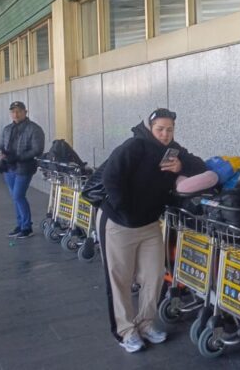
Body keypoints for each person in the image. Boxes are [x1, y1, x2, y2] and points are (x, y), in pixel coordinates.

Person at [97, 108, 207, 353]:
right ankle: (125, 331)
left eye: (169, 129)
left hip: (149, 225)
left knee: (154, 276)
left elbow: (200, 166)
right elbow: (111, 178)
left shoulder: (174, 151)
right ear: (150, 127)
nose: (165, 134)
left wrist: (180, 167)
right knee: (120, 279)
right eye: (160, 129)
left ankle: (145, 324)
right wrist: (125, 210)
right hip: (119, 223)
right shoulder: (134, 146)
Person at [0, 101, 45, 238]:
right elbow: (1, 145)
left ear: (25, 112)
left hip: (24, 168)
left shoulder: (34, 129)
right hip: (8, 168)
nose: (16, 114)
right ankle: (20, 225)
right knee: (15, 197)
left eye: (18, 111)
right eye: (13, 111)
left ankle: (27, 227)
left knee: (18, 195)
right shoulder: (7, 129)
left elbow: (37, 150)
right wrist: (0, 153)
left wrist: (18, 157)